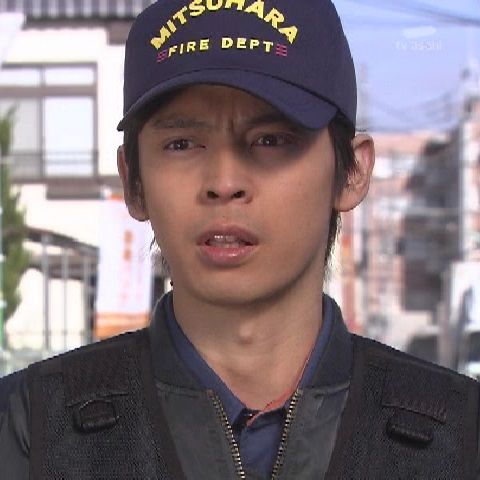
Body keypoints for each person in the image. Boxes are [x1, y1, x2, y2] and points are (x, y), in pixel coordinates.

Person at [1, 0, 479, 478]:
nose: (224, 182)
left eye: (271, 139)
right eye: (181, 144)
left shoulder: (461, 437)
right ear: (134, 182)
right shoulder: (28, 431)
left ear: (352, 172)